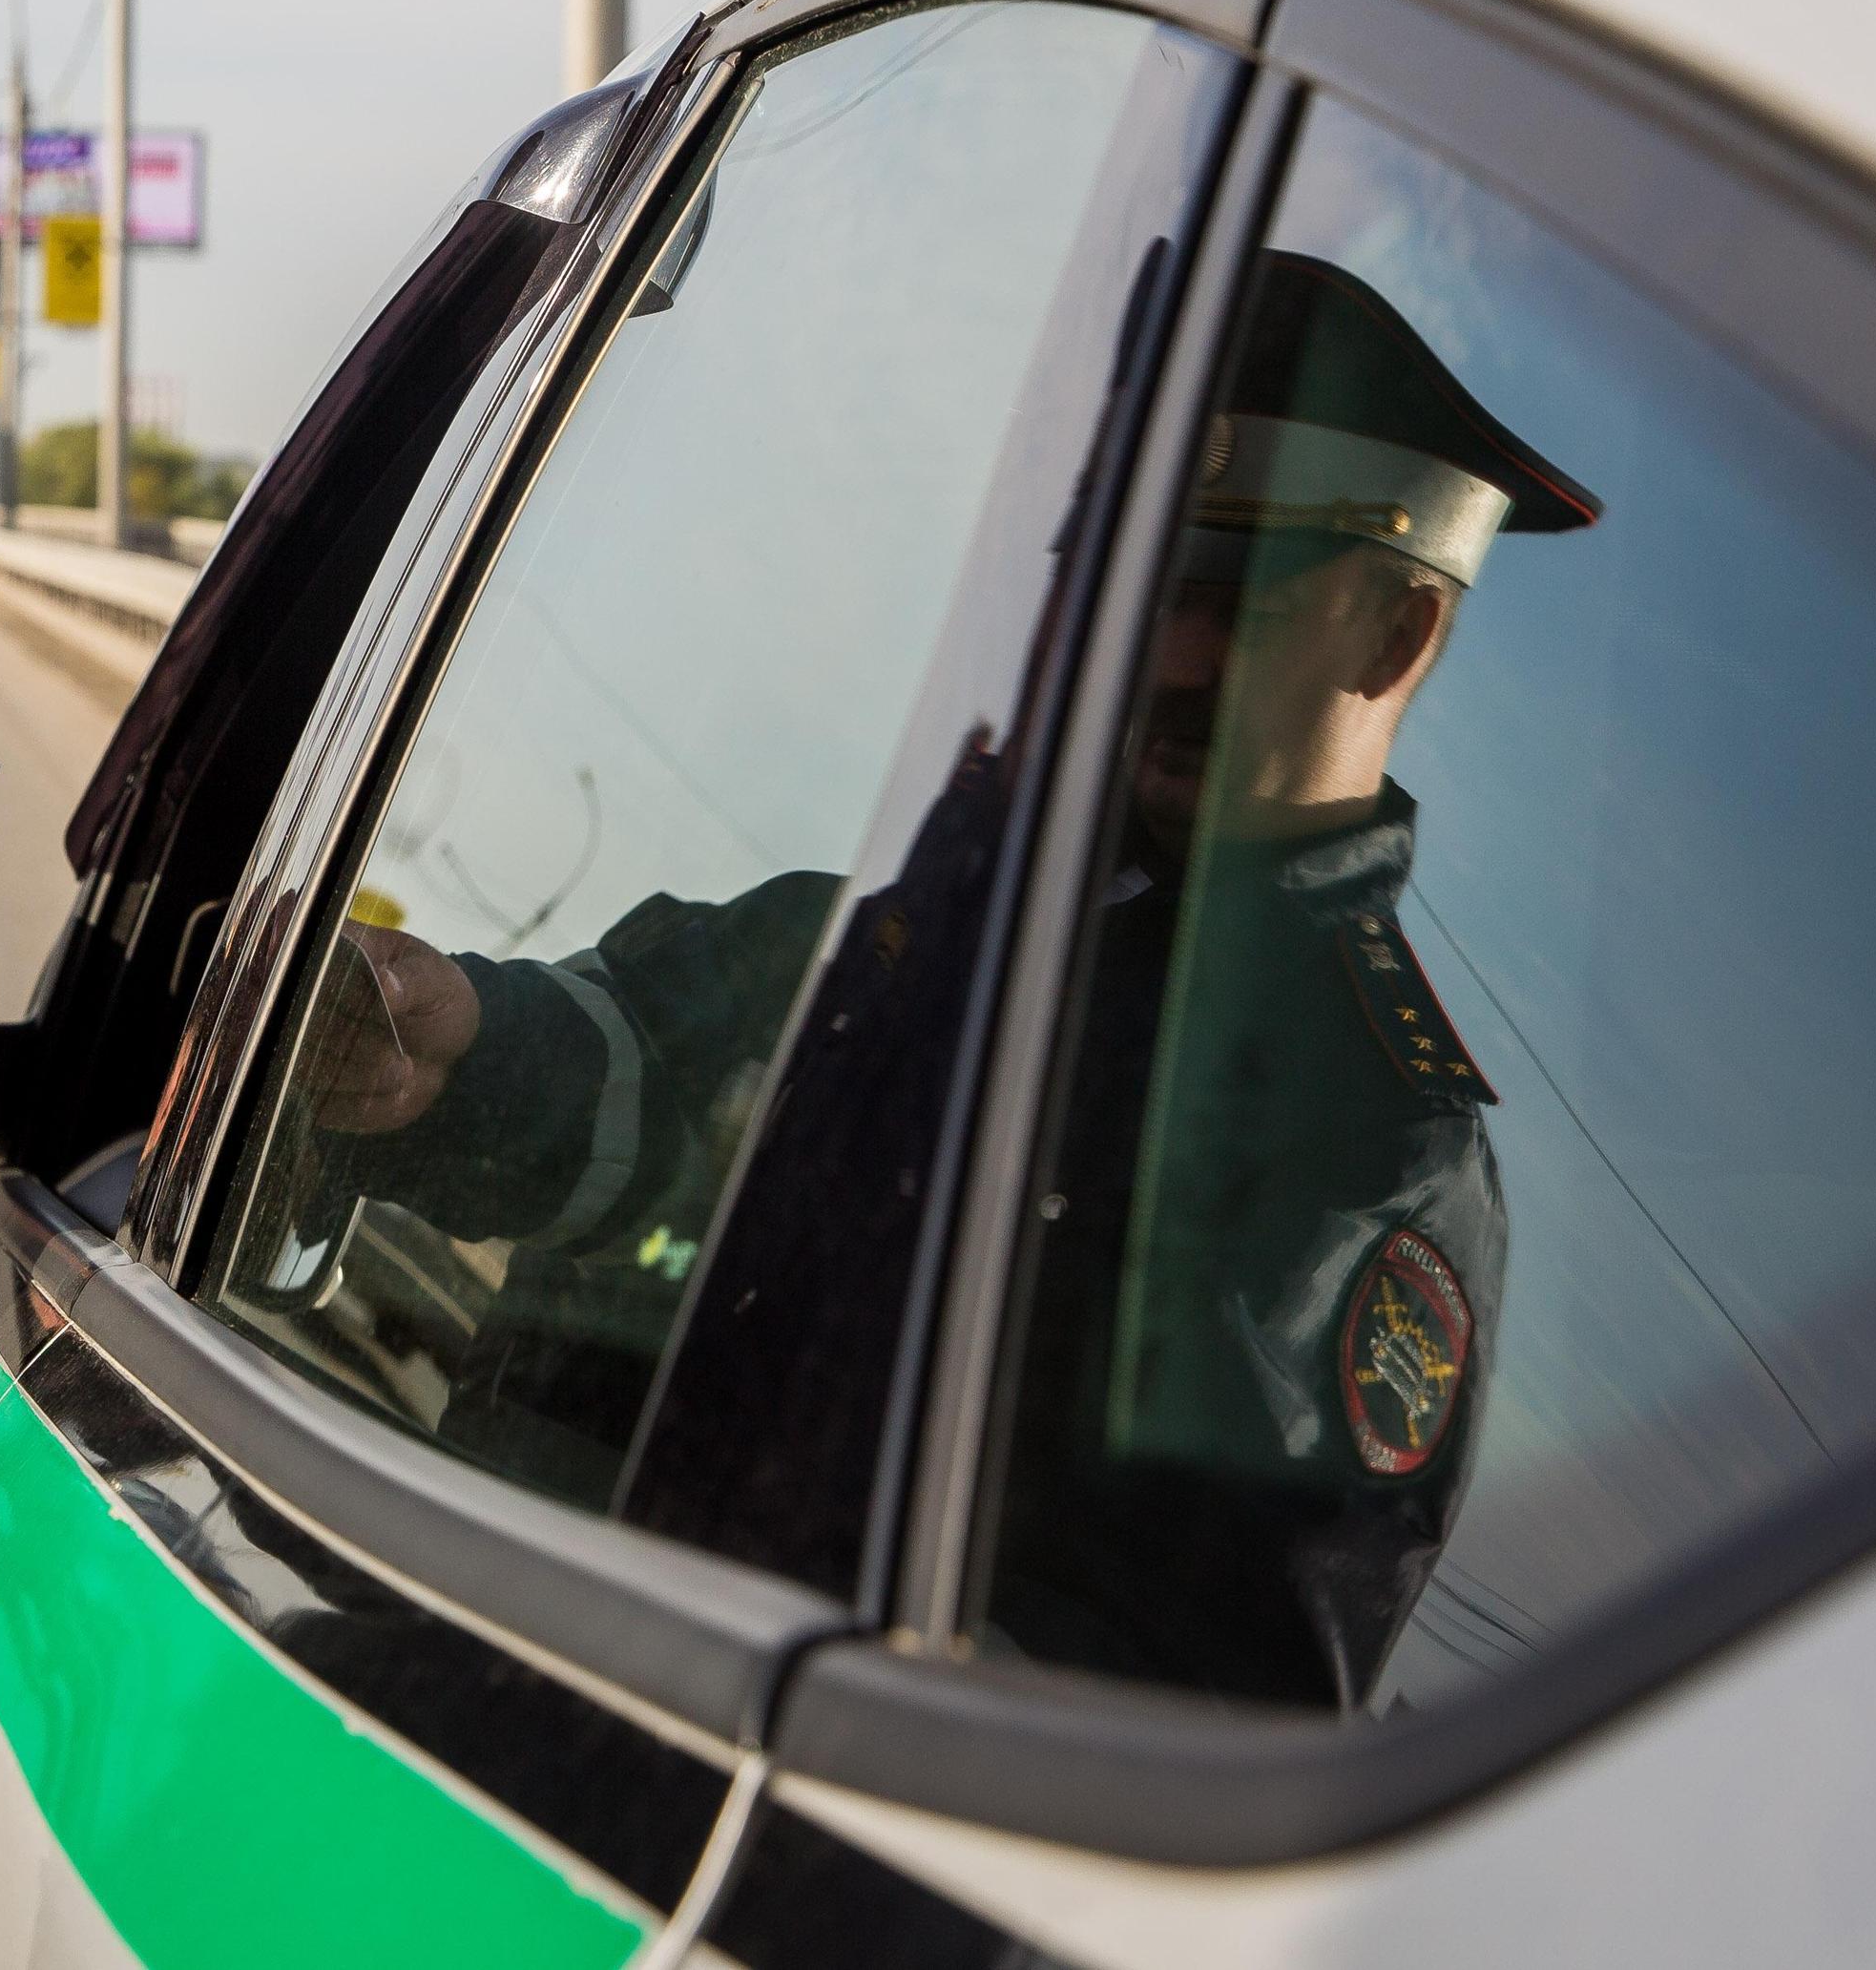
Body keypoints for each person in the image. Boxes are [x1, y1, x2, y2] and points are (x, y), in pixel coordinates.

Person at [294, 252, 1592, 1699]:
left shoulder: (1365, 1140)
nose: (1158, 647)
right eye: (1125, 574)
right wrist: (456, 1052)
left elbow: (1179, 1709)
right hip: (486, 1663)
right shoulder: (931, 914)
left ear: (1395, 633)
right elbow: (669, 1079)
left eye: (1236, 595)